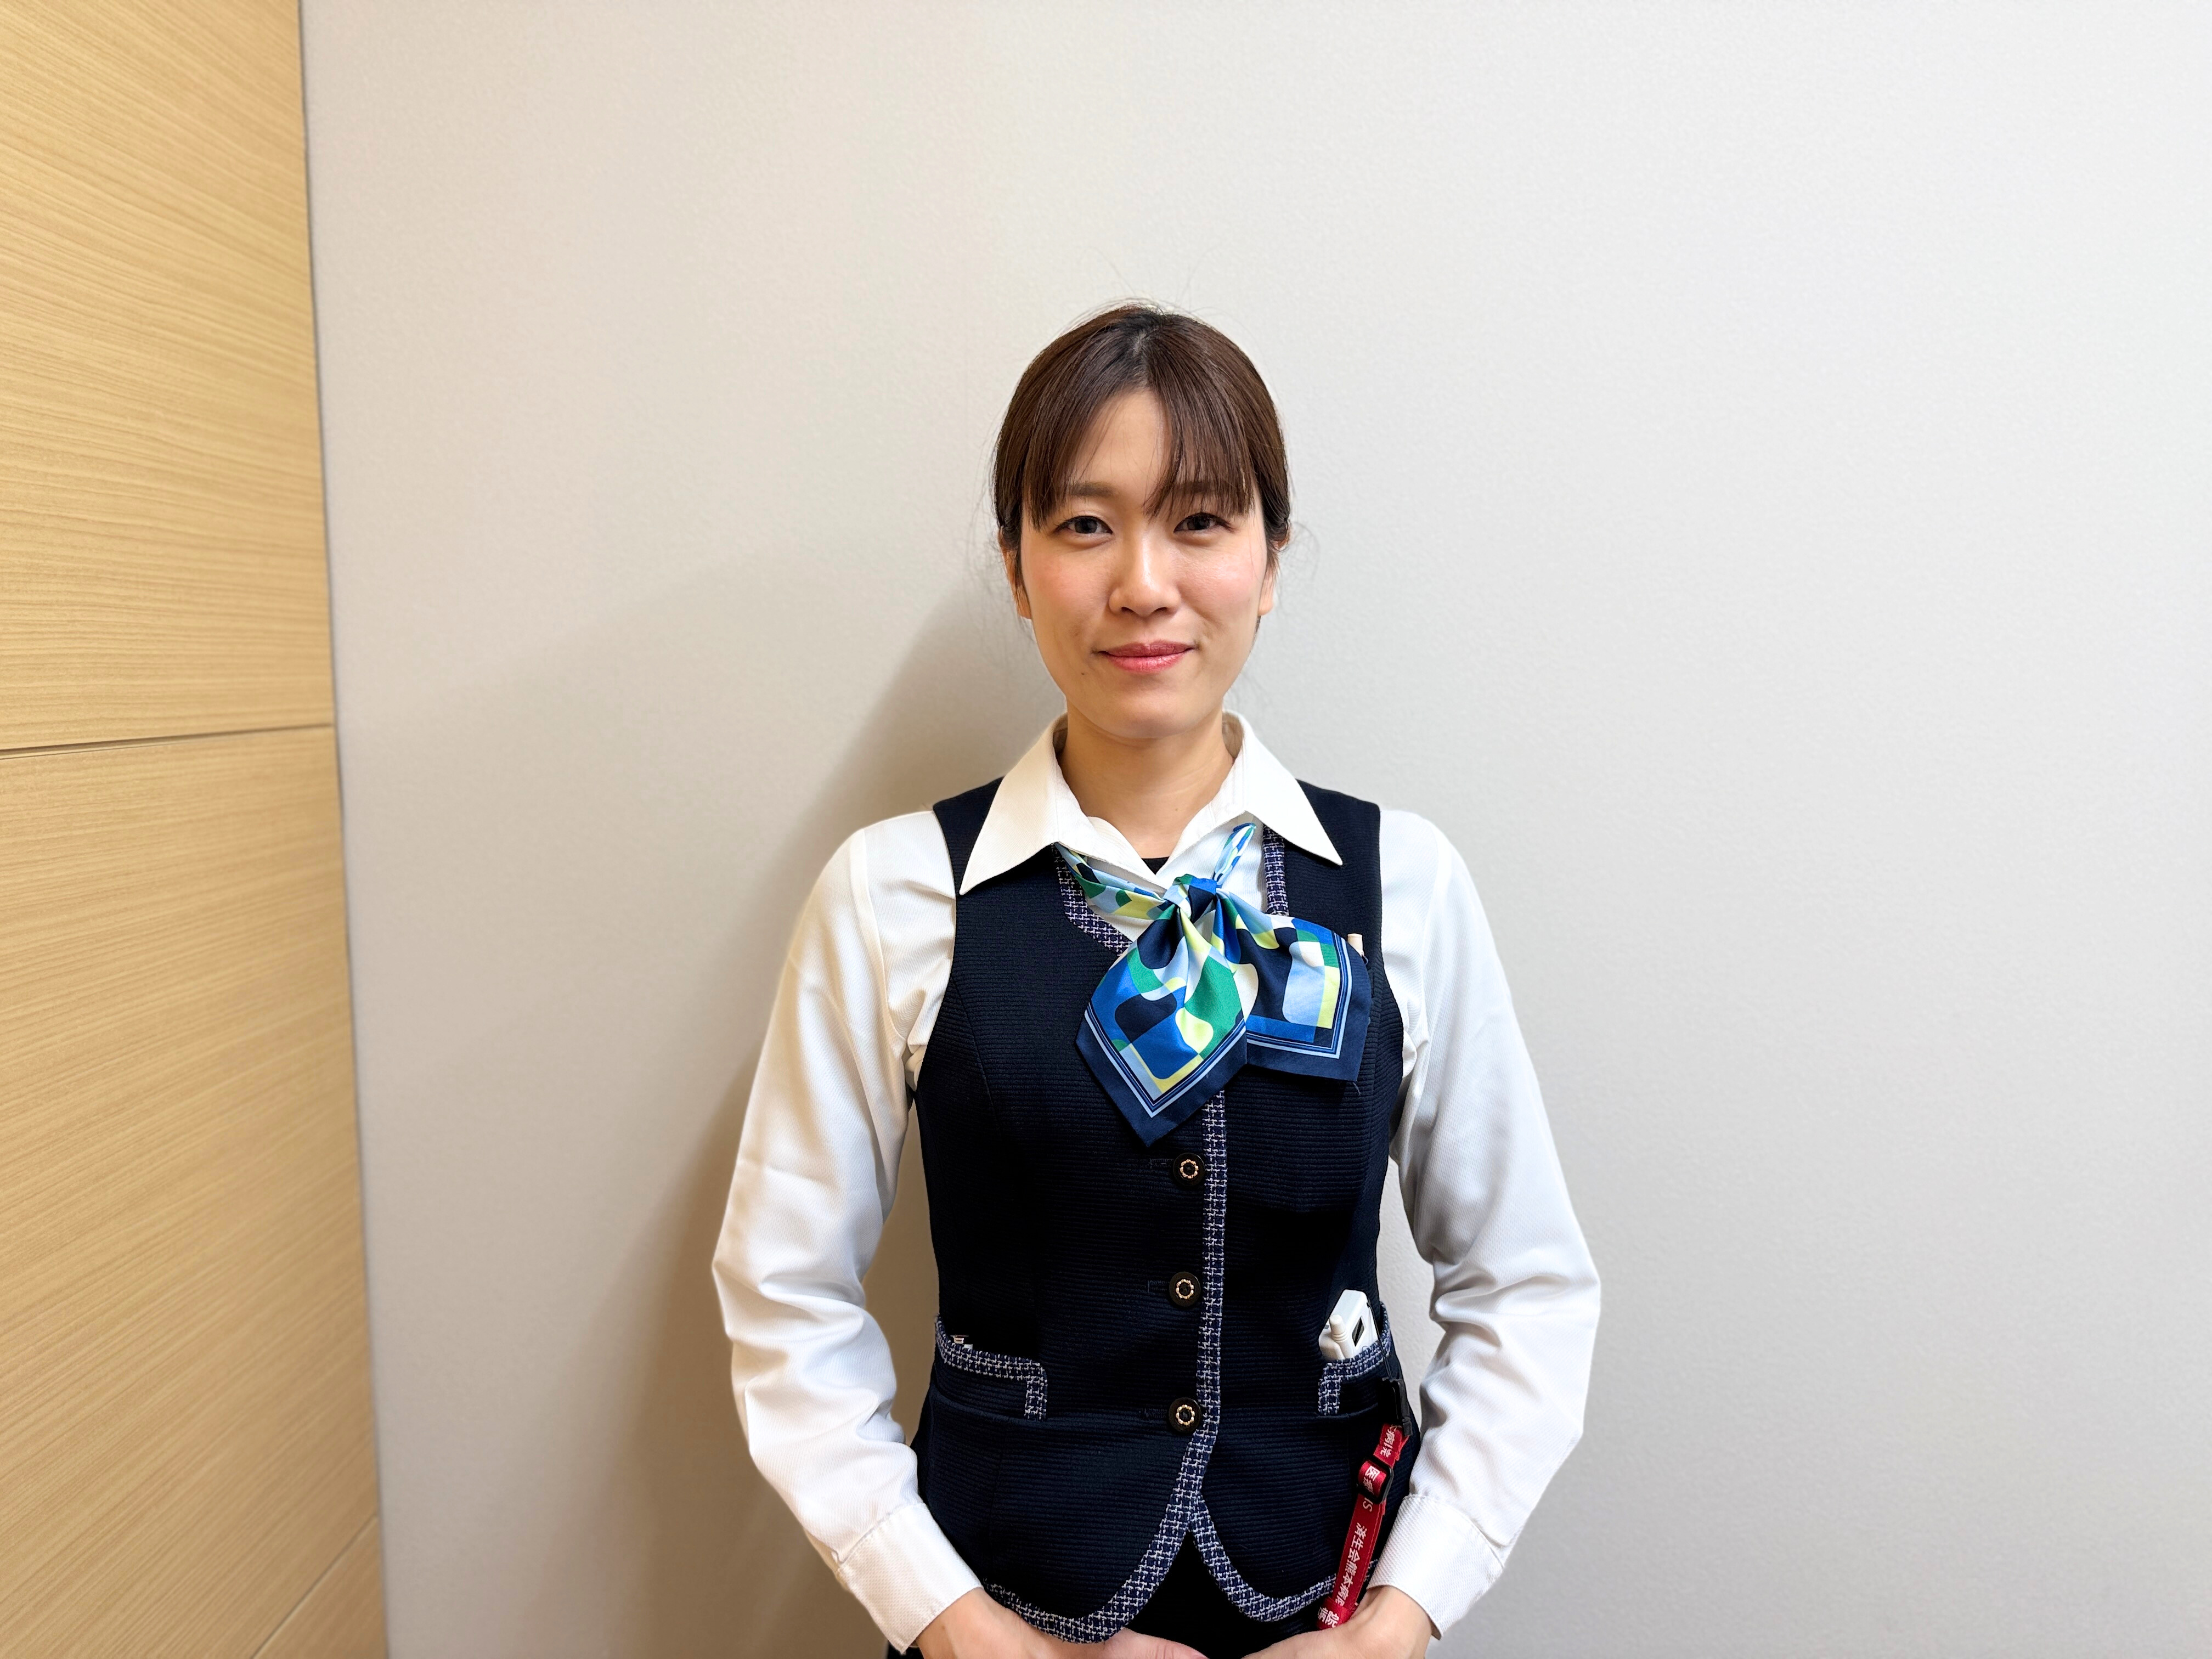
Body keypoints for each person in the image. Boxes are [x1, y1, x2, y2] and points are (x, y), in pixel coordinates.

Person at [712, 305, 1599, 1658]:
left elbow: (1525, 1287)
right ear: (1016, 566)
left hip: (1326, 1616)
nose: (1143, 583)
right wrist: (958, 1626)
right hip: (999, 1617)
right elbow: (786, 1298)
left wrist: (1396, 1624)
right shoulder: (894, 896)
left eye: (1199, 522)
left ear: (1271, 558)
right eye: (1084, 525)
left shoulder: (1401, 886)